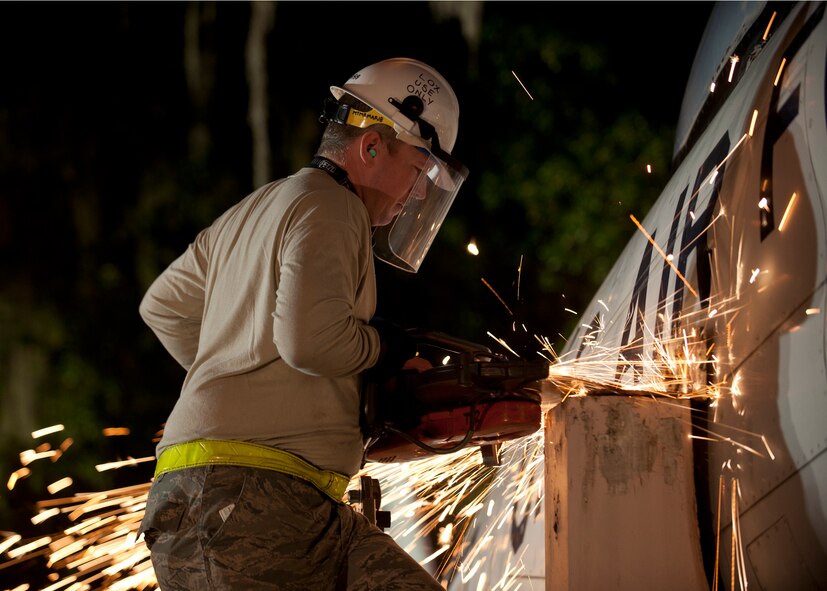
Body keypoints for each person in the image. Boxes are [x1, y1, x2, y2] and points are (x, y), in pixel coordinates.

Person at [137, 57, 468, 590]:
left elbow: (163, 307)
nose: (423, 190)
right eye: (420, 166)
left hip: (225, 497)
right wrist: (383, 349)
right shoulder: (332, 207)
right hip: (256, 501)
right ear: (372, 147)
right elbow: (310, 341)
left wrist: (245, 376)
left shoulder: (253, 210)